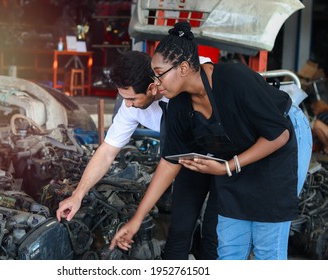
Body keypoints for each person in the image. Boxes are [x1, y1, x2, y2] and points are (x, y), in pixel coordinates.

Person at [110, 22, 312, 260]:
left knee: (266, 246)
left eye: (159, 73)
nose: (155, 82)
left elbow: (279, 134)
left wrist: (227, 166)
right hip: (237, 153)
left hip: (279, 141)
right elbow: (169, 162)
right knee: (228, 250)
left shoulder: (234, 79)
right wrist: (136, 220)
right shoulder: (177, 105)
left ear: (183, 68)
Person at [56, 50, 218, 259]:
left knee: (214, 235)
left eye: (132, 98)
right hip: (187, 161)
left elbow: (207, 70)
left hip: (223, 159)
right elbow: (107, 151)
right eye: (124, 98)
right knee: (179, 232)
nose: (128, 104)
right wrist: (77, 195)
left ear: (152, 88)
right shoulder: (130, 106)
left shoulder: (184, 81)